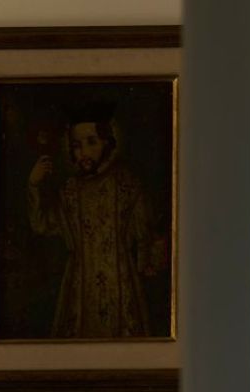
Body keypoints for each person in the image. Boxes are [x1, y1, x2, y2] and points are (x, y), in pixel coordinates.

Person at [26, 110, 166, 339]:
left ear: (108, 143)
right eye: (77, 145)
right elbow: (42, 224)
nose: (84, 153)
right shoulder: (70, 191)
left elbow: (147, 235)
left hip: (121, 284)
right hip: (79, 288)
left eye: (91, 142)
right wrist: (33, 185)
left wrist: (148, 257)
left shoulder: (127, 184)